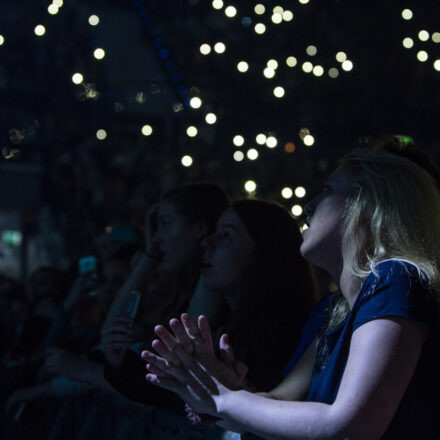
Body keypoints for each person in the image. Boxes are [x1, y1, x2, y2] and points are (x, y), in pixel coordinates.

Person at [142, 148, 440, 439]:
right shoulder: (337, 309)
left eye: (327, 190)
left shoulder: (396, 276)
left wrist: (224, 399)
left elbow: (351, 423)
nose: (310, 204)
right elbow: (281, 403)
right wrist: (215, 387)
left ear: (368, 204)